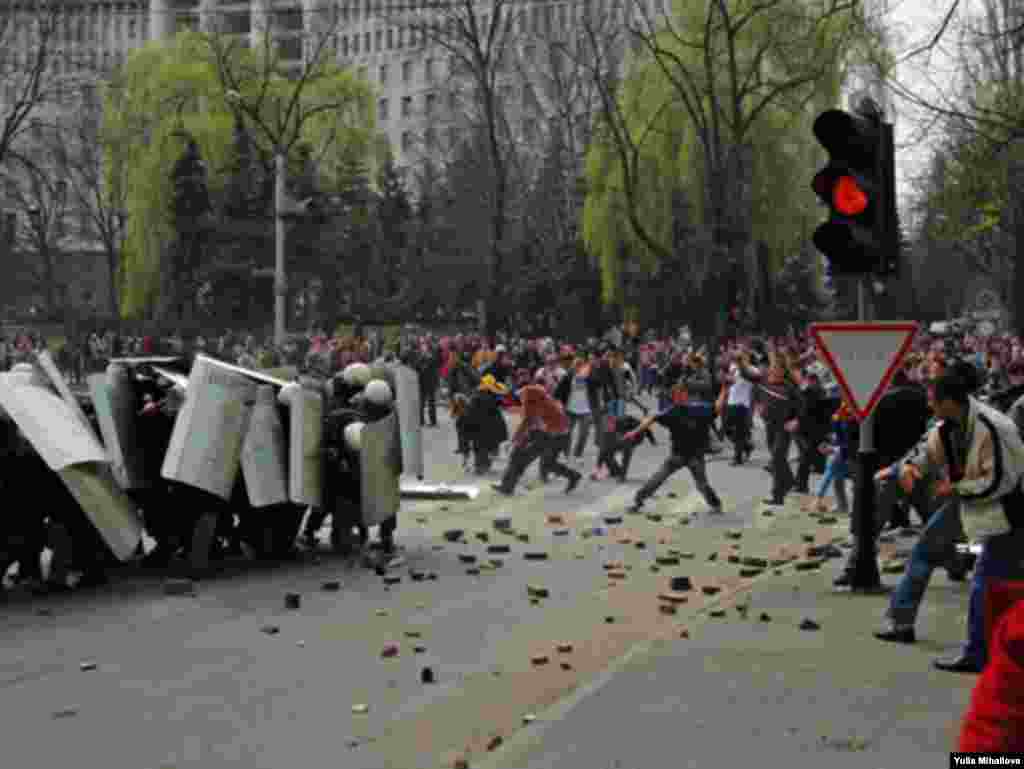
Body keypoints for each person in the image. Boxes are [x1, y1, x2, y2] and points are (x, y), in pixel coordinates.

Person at [873, 362, 1024, 673]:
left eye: (933, 401)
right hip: (967, 500)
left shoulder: (994, 427)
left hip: (1005, 508)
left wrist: (954, 488)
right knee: (925, 551)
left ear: (949, 402)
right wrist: (906, 469)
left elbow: (1001, 481)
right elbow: (927, 452)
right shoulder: (948, 425)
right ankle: (901, 622)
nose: (929, 406)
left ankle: (979, 652)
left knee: (987, 579)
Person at [624, 379, 724, 515]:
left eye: (680, 394)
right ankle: (638, 501)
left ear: (686, 395)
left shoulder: (699, 409)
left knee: (702, 484)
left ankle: (716, 505)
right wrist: (635, 432)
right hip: (677, 455)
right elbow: (652, 418)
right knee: (657, 478)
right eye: (675, 395)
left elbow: (717, 408)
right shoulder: (672, 411)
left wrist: (724, 389)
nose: (677, 397)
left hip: (695, 456)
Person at [492, 383, 582, 496]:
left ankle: (507, 487)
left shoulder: (528, 395)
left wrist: (513, 440)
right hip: (550, 432)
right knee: (542, 462)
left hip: (550, 433)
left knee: (522, 458)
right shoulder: (532, 394)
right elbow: (535, 413)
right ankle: (574, 476)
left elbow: (528, 420)